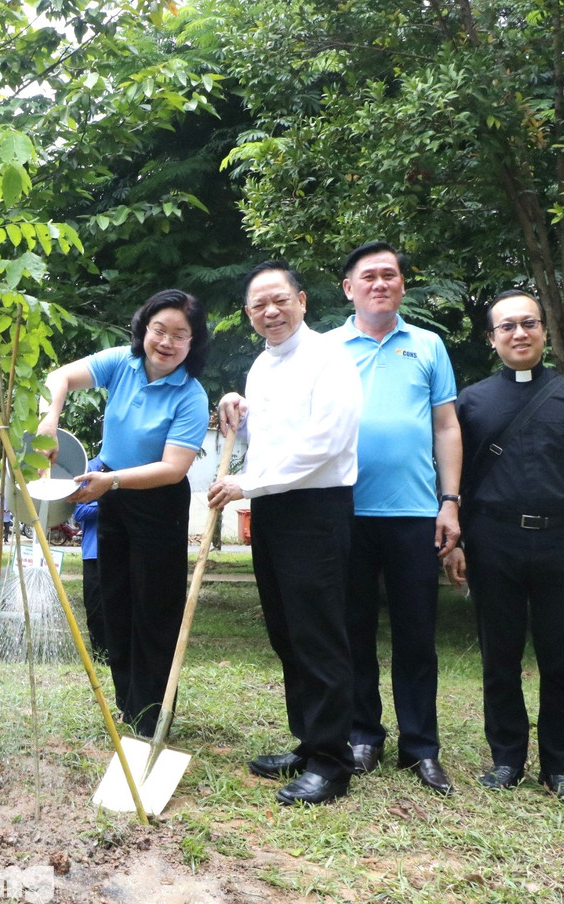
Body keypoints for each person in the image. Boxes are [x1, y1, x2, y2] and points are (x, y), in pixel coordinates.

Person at [444, 291, 564, 809]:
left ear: (543, 331)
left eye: (529, 323)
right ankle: (507, 759)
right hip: (494, 539)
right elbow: (456, 478)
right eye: (507, 326)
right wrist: (457, 542)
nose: (520, 333)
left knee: (560, 661)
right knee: (501, 655)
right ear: (492, 339)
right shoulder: (470, 403)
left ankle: (558, 768)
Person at [206, 261, 362, 806]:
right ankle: (309, 741)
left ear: (301, 300)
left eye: (279, 300)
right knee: (287, 631)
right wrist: (235, 411)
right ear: (248, 314)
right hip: (273, 510)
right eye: (257, 306)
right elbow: (269, 437)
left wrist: (246, 483)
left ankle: (331, 761)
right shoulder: (260, 366)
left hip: (316, 510)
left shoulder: (331, 359)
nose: (270, 312)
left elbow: (324, 443)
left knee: (318, 633)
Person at [37, 292, 210, 735]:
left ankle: (151, 713)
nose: (166, 342)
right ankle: (127, 704)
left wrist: (110, 482)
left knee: (154, 605)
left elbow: (173, 469)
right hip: (111, 493)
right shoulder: (122, 363)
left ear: (193, 342)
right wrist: (49, 421)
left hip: (156, 501)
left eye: (179, 335)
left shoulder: (191, 395)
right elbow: (58, 378)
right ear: (144, 329)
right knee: (114, 600)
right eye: (159, 330)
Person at [332, 242, 461, 794]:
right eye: (369, 276)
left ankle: (420, 747)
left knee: (416, 633)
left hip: (414, 513)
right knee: (353, 629)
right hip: (344, 509)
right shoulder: (326, 348)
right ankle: (363, 735)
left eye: (390, 275)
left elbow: (447, 427)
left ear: (403, 285)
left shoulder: (428, 345)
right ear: (349, 288)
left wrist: (449, 500)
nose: (380, 283)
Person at [73, 456, 108, 661]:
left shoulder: (133, 467)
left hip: (125, 549)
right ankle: (100, 655)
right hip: (94, 551)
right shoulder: (90, 469)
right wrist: (107, 503)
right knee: (95, 607)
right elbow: (79, 510)